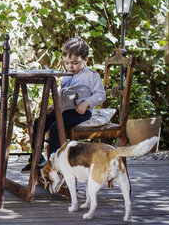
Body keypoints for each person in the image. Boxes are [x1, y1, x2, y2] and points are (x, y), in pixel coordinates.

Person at [21, 37, 106, 172]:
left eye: (74, 63)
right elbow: (63, 95)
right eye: (66, 63)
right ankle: (36, 157)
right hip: (64, 109)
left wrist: (86, 103)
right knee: (40, 121)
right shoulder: (67, 75)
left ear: (85, 60)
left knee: (56, 128)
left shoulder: (91, 76)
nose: (70, 67)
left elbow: (101, 94)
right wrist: (55, 106)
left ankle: (56, 164)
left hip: (79, 112)